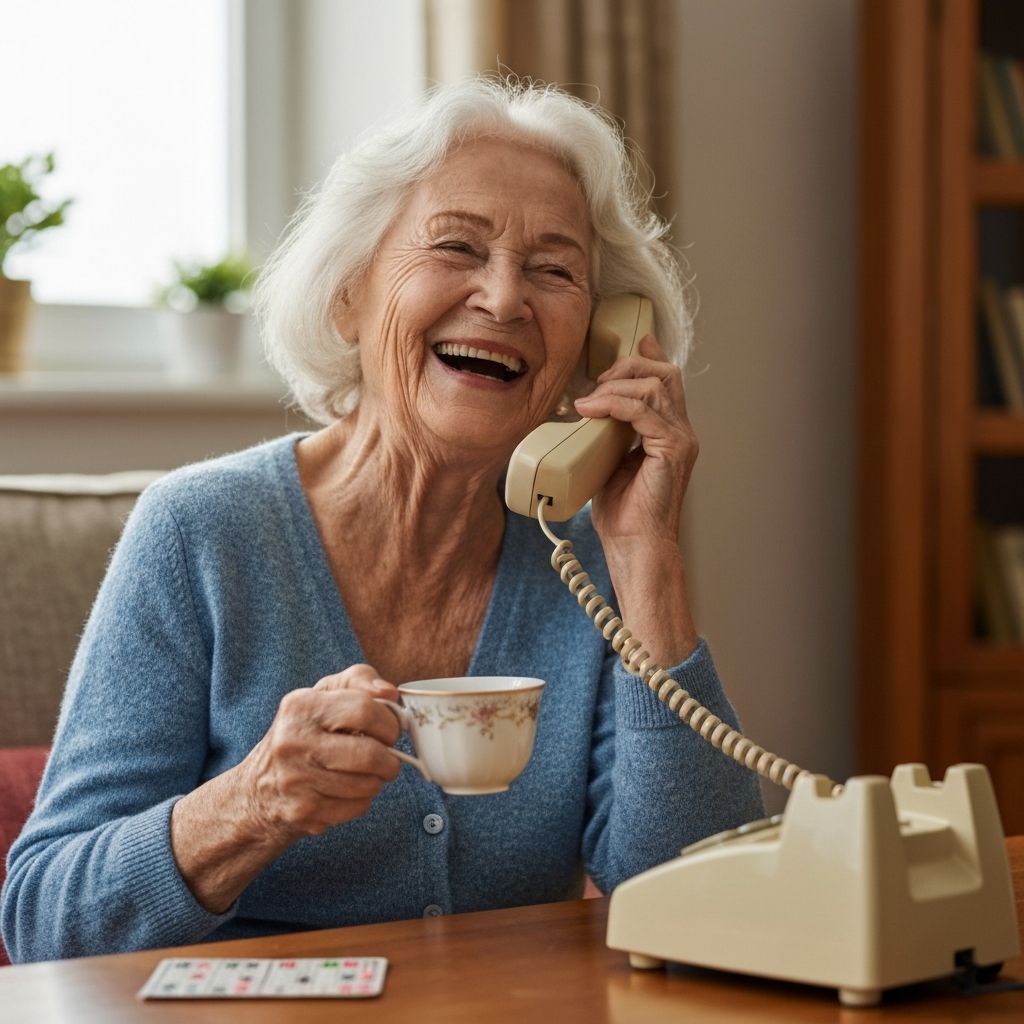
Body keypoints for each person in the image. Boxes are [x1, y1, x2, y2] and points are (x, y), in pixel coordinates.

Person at [1, 78, 763, 963]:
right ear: (348, 296)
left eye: (555, 270)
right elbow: (43, 918)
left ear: (598, 341)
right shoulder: (200, 533)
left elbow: (706, 901)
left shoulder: (587, 569)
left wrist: (648, 562)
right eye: (456, 247)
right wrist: (251, 803)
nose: (506, 299)